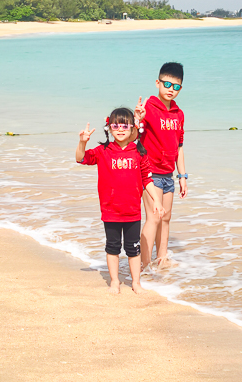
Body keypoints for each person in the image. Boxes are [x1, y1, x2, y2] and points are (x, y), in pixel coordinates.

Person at [76, 107, 162, 294]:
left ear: (133, 128)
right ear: (109, 128)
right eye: (115, 125)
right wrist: (82, 143)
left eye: (125, 125)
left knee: (133, 250)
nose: (120, 129)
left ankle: (136, 283)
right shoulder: (102, 151)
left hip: (132, 212)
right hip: (111, 211)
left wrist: (156, 200)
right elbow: (81, 159)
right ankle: (114, 281)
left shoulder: (139, 152)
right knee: (112, 248)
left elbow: (147, 179)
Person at [135, 62, 186, 268]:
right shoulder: (148, 108)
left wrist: (182, 177)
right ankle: (145, 266)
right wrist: (138, 119)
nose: (170, 90)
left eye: (176, 87)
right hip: (150, 173)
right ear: (158, 83)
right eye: (167, 84)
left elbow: (179, 147)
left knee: (166, 218)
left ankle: (161, 261)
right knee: (154, 218)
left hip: (168, 175)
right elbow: (134, 134)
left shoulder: (178, 114)